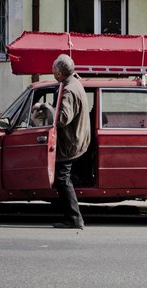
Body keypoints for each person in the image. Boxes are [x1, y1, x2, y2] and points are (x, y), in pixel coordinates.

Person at [51, 54, 91, 229]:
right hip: (77, 138)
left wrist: (46, 111)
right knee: (64, 178)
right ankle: (71, 216)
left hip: (70, 142)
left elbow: (62, 118)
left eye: (53, 69)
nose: (52, 72)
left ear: (59, 73)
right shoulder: (73, 83)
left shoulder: (69, 90)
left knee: (62, 179)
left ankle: (74, 218)